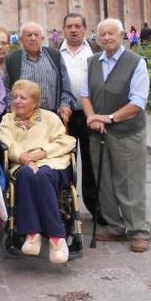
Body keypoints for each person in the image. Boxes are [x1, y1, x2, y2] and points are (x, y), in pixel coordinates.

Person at [80, 18, 151, 253]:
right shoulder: (92, 62)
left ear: (122, 36)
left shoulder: (136, 62)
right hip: (98, 131)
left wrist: (109, 118)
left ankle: (138, 230)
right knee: (105, 180)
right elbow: (85, 95)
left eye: (112, 33)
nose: (107, 38)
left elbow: (138, 102)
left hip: (127, 132)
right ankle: (114, 225)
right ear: (98, 38)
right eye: (103, 34)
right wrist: (92, 118)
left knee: (129, 181)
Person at [0, 80, 76, 262]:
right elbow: (7, 144)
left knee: (42, 175)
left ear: (35, 102)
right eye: (15, 97)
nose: (17, 101)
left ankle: (57, 238)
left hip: (53, 163)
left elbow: (67, 141)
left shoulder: (50, 117)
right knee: (26, 173)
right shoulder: (7, 120)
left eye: (22, 98)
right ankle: (33, 234)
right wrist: (24, 158)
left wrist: (40, 154)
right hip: (23, 164)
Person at [59, 13, 102, 224]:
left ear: (85, 29)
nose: (73, 30)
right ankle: (67, 209)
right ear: (64, 29)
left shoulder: (95, 51)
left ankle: (96, 209)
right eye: (69, 26)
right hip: (64, 115)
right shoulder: (54, 53)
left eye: (77, 26)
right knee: (65, 163)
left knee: (90, 161)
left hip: (89, 115)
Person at [3, 22, 74, 123]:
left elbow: (66, 87)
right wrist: (12, 108)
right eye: (29, 35)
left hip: (52, 118)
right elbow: (6, 89)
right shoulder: (13, 60)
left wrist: (65, 105)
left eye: (36, 35)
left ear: (42, 38)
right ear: (21, 40)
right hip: (23, 119)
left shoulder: (55, 56)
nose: (33, 38)